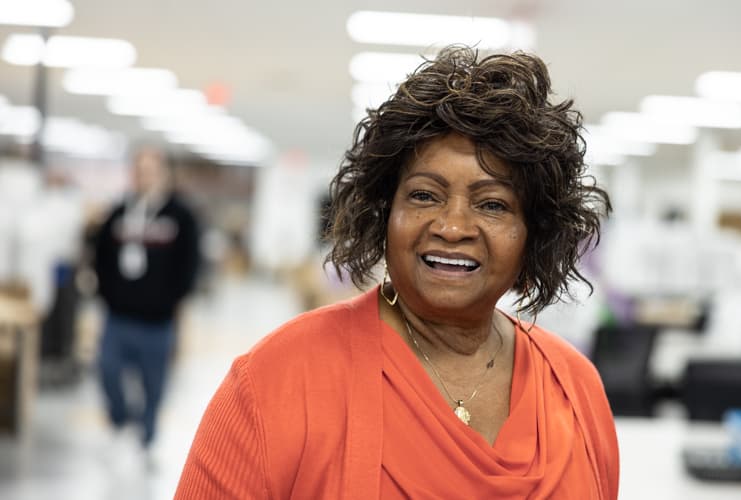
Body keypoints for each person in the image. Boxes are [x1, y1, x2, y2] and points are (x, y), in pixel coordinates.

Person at [175, 46, 618, 499]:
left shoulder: (574, 388)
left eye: (492, 204)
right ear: (384, 213)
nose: (452, 227)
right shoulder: (277, 379)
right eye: (424, 195)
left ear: (534, 234)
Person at [94, 146, 200, 461]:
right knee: (107, 370)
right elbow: (100, 256)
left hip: (158, 321)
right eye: (139, 171)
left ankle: (148, 437)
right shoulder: (118, 213)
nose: (144, 177)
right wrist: (107, 293)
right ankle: (120, 420)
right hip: (118, 317)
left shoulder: (180, 216)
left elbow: (190, 262)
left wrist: (173, 298)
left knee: (154, 385)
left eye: (151, 171)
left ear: (164, 174)